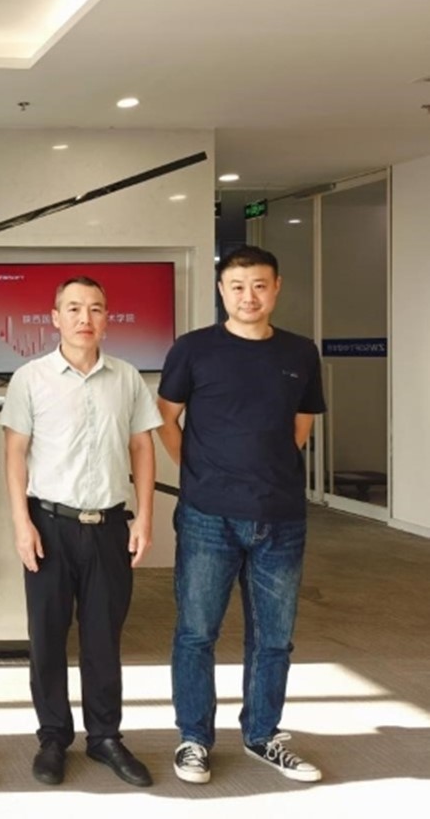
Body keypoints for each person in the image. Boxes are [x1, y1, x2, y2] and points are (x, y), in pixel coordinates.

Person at [158, 245, 326, 785]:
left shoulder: (301, 352)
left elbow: (301, 424)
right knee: (196, 632)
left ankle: (261, 735)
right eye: (237, 286)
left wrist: (265, 469)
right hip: (208, 515)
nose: (248, 296)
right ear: (221, 291)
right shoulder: (193, 348)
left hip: (281, 517)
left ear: (276, 288)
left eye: (258, 285)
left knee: (274, 637)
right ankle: (193, 739)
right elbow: (166, 418)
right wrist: (199, 472)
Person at [1, 275, 160, 789]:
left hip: (110, 526)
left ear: (107, 318)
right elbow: (15, 452)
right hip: (49, 524)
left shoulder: (127, 378)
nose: (84, 318)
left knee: (103, 638)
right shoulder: (30, 377)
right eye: (73, 308)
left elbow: (142, 447)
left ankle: (105, 736)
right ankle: (53, 737)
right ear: (55, 318)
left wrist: (146, 516)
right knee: (47, 637)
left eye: (94, 308)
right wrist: (21, 523)